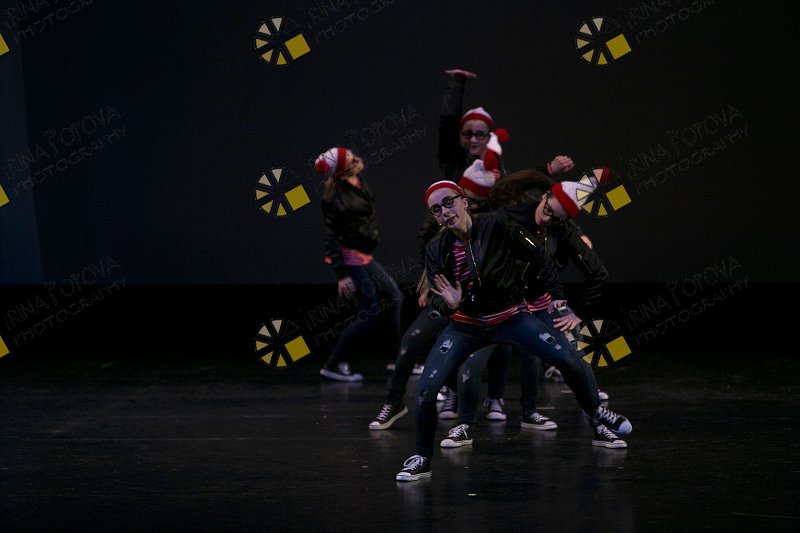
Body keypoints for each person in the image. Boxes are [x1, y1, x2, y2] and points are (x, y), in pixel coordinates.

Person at [395, 180, 631, 482]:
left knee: (568, 358)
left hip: (511, 317)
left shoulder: (496, 225)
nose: (445, 211)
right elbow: (438, 298)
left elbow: (540, 257)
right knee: (426, 391)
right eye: (436, 209)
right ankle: (422, 457)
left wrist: (556, 294)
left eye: (449, 202)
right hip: (466, 327)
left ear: (464, 201)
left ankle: (596, 414)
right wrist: (450, 304)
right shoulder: (436, 248)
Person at [315, 147, 404, 382]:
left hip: (363, 255)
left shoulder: (357, 181)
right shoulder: (335, 198)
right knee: (369, 312)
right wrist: (342, 275)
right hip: (350, 257)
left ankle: (399, 359)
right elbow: (331, 238)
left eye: (352, 154)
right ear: (343, 170)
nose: (357, 158)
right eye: (351, 159)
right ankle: (333, 363)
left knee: (394, 297)